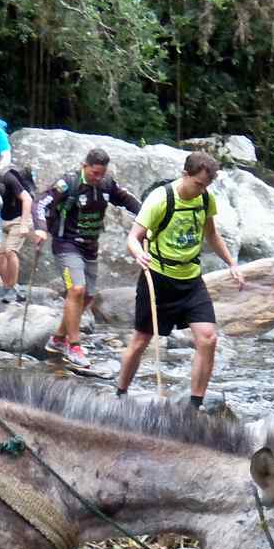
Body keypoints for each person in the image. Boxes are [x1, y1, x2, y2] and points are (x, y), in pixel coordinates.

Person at [116, 151, 245, 408]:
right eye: (198, 184)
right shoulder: (161, 199)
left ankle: (194, 406)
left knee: (208, 338)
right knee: (141, 341)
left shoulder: (205, 198)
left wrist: (232, 263)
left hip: (191, 279)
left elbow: (211, 234)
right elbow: (133, 237)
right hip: (159, 279)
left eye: (206, 186)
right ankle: (120, 393)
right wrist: (140, 254)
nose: (201, 190)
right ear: (185, 175)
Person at [33, 148, 142, 369]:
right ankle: (74, 347)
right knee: (76, 290)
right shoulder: (68, 183)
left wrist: (148, 215)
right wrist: (41, 229)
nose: (97, 178)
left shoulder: (106, 184)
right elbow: (41, 203)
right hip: (66, 244)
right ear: (85, 166)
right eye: (94, 173)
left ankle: (57, 339)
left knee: (88, 297)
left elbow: (127, 200)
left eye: (101, 174)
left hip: (90, 247)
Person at [0, 164, 36, 303]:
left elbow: (27, 199)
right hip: (4, 220)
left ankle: (12, 288)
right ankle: (8, 285)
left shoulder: (8, 178)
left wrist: (24, 224)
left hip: (19, 219)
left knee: (10, 251)